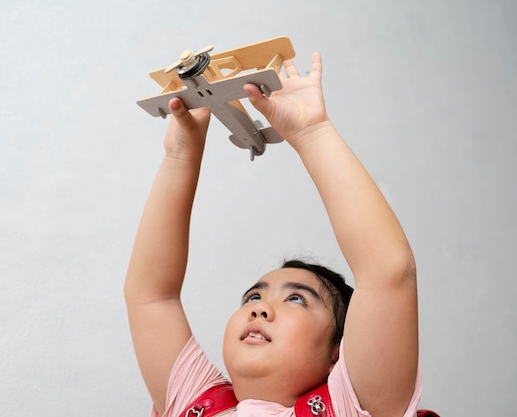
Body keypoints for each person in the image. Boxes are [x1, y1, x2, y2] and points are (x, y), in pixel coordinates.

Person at [124, 52, 421, 417]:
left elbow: (387, 272)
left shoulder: (352, 407)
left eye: (297, 299)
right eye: (251, 298)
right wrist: (181, 154)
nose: (260, 309)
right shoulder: (197, 404)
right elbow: (151, 297)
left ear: (338, 354)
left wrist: (312, 132)